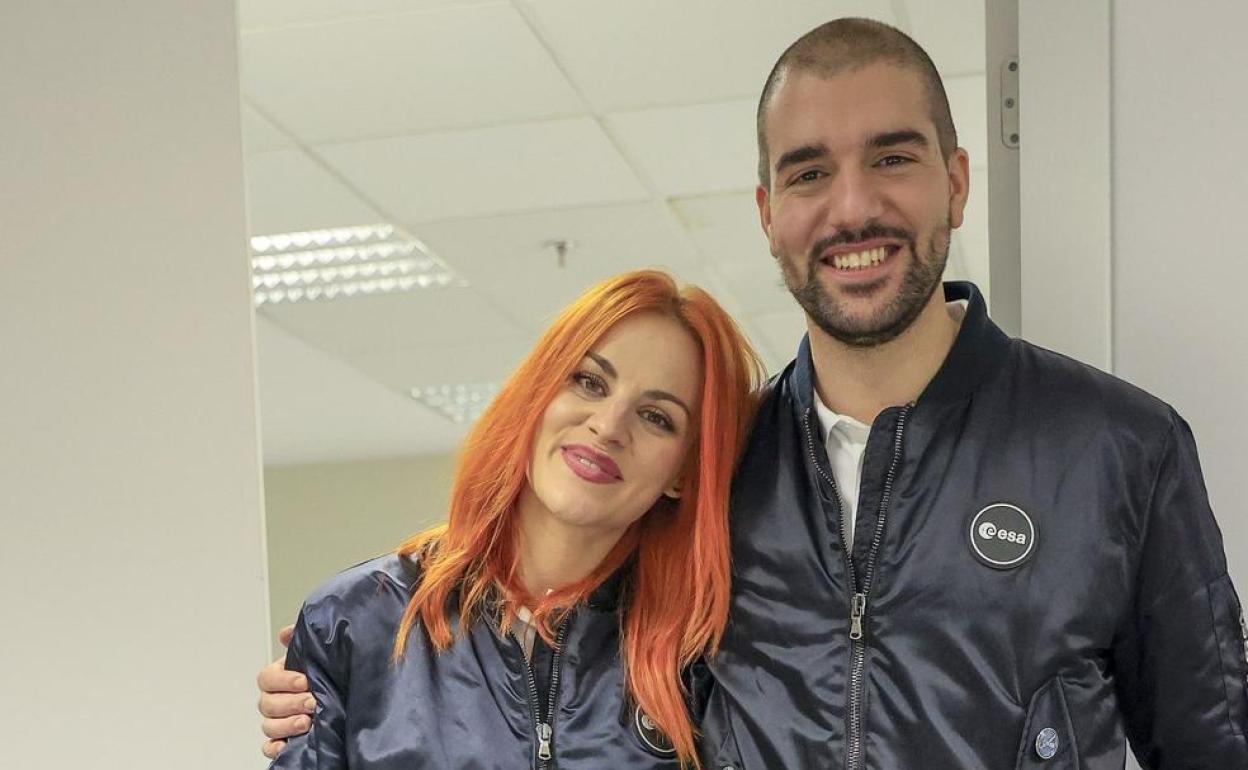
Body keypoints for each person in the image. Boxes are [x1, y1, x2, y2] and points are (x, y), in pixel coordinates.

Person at [259, 17, 1248, 769]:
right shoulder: (715, 470)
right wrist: (344, 658)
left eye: (892, 157)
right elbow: (535, 634)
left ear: (955, 179)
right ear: (771, 215)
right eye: (811, 173)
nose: (853, 206)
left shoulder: (1121, 447)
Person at [262, 269, 762, 769]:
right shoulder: (353, 622)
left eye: (657, 417)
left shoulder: (707, 661)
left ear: (685, 474)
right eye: (589, 382)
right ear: (537, 396)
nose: (608, 427)